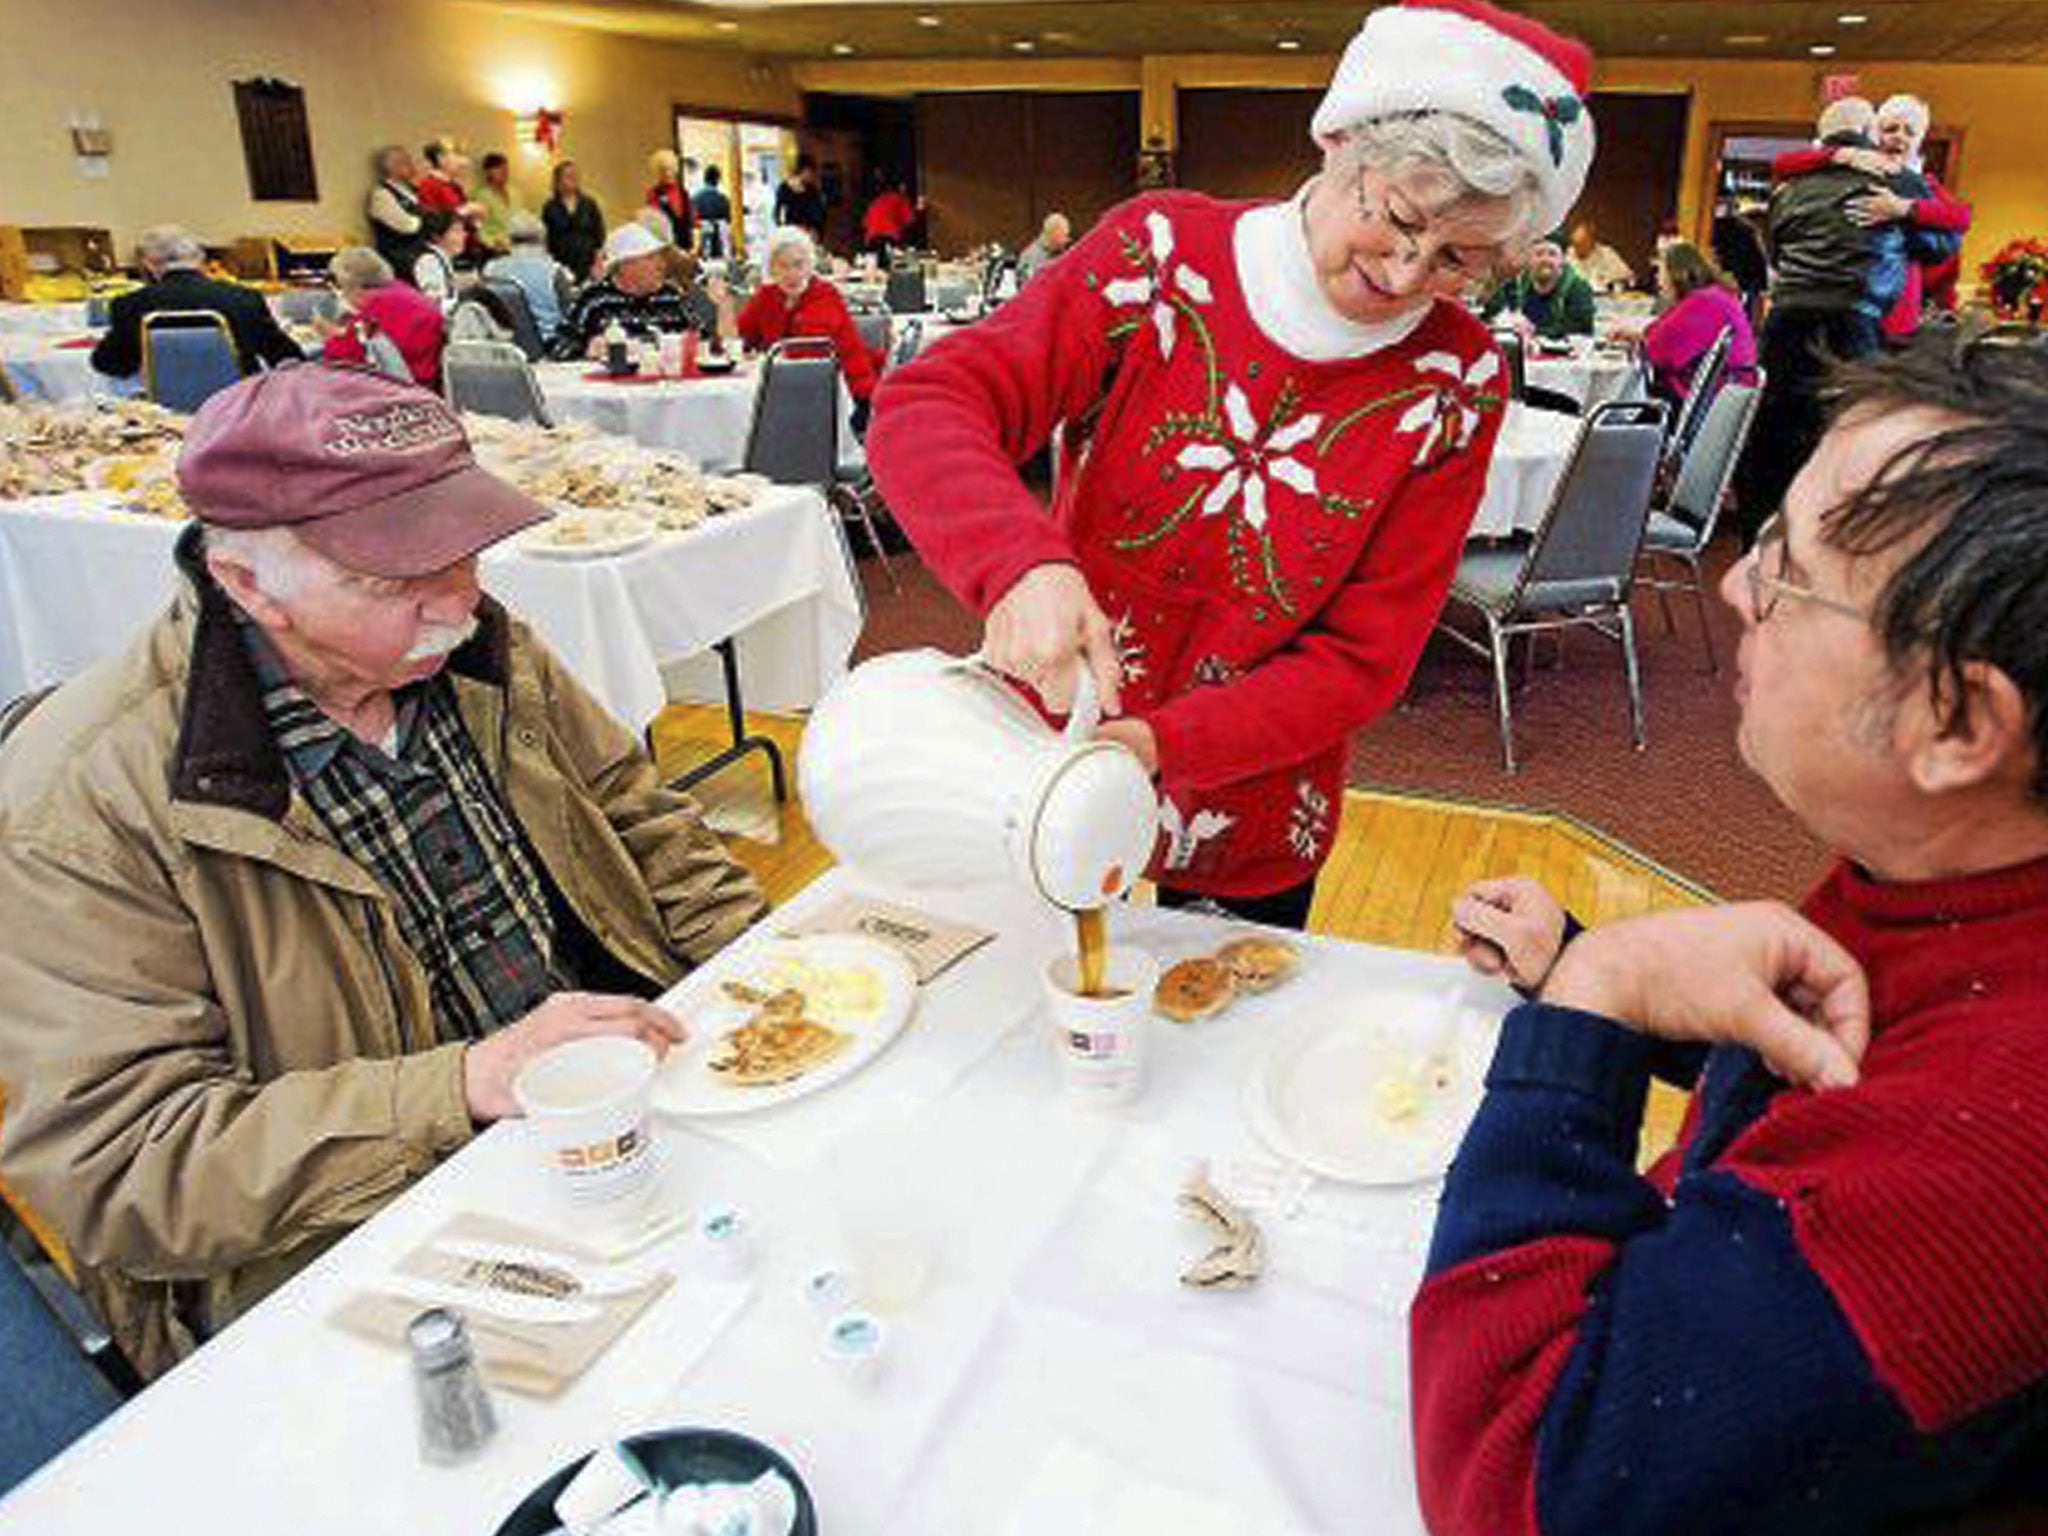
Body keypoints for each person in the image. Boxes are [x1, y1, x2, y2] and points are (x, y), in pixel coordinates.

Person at [0, 365, 767, 1378]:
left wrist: (762, 972)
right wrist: (461, 1086)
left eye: (463, 555)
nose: (456, 604)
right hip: (362, 1242)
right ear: (246, 585)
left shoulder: (477, 648)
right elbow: (124, 1169)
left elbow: (638, 817)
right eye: (394, 578)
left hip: (608, 1118)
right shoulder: (81, 801)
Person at [1420, 322, 2048, 1536]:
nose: (1733, 588)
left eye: (1786, 575)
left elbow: (1514, 1486)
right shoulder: (1946, 868)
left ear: (1959, 722)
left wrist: (1591, 1004)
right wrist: (1596, 967)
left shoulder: (1986, 1159)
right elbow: (1845, 1067)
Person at [868, 0, 1595, 929]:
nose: (1409, 276)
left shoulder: (1456, 380)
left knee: (1210, 1041)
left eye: (1461, 260)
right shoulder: (1162, 257)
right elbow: (929, 404)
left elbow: (1362, 658)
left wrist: (1159, 743)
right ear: (1343, 145)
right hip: (1048, 740)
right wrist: (1019, 563)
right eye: (1401, 219)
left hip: (1247, 790)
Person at [1733, 97, 1958, 543]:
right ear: (1870, 132)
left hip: (1788, 318)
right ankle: (1833, 545)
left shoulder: (1789, 187)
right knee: (1849, 436)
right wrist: (1903, 217)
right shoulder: (1897, 179)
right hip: (1855, 321)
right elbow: (1943, 246)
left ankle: (1759, 540)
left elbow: (1775, 253)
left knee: (1771, 436)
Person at [1771, 93, 1972, 342]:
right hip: (1863, 307)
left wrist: (1904, 208)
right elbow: (1782, 163)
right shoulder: (1849, 169)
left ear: (1920, 140)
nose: (1899, 137)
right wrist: (1840, 155)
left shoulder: (1917, 184)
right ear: (1874, 134)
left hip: (1894, 306)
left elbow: (1961, 218)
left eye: (1910, 132)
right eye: (1891, 129)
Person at [90, 225, 302, 381]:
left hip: (164, 411)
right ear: (200, 259)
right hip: (237, 407)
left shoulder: (129, 305)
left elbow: (109, 364)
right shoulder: (243, 298)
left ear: (149, 263)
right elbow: (287, 356)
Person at [734, 225, 881, 431]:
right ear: (771, 269)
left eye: (798, 265)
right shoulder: (767, 296)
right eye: (782, 266)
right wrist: (723, 304)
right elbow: (738, 338)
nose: (791, 273)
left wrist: (762, 356)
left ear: (810, 265)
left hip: (846, 393)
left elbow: (808, 356)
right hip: (788, 389)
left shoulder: (825, 295)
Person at [551, 223, 716, 360]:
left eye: (659, 257)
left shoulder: (670, 296)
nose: (661, 265)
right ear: (625, 266)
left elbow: (703, 342)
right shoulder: (595, 300)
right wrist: (587, 348)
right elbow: (558, 348)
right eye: (651, 258)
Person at [1636, 241, 1757, 402]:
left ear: (1677, 273)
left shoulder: (1703, 301)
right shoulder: (1713, 295)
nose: (1658, 279)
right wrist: (1639, 335)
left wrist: (1642, 338)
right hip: (1727, 390)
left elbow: (1658, 351)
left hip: (1714, 398)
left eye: (1660, 271)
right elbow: (1663, 328)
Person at [319, 246, 446, 388]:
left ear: (349, 281)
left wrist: (328, 335)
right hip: (422, 377)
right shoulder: (400, 291)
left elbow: (340, 356)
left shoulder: (376, 304)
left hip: (402, 386)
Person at [1482, 230, 1596, 340]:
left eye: (1552, 254)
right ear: (1529, 259)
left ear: (1562, 260)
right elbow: (1489, 314)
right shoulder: (1514, 284)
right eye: (1539, 254)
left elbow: (1580, 329)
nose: (1545, 260)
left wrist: (1534, 331)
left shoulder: (1578, 288)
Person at [483, 213, 575, 337]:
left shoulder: (490, 269)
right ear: (542, 239)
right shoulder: (554, 271)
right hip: (548, 344)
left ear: (510, 239)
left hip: (504, 344)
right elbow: (570, 313)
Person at [543, 160, 606, 283]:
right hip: (562, 262)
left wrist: (598, 262)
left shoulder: (589, 203)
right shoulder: (550, 207)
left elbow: (599, 234)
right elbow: (547, 239)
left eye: (575, 176)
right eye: (568, 176)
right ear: (558, 180)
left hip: (587, 261)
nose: (573, 179)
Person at [365, 144, 425, 272]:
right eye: (405, 162)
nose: (412, 166)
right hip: (398, 259)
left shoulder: (413, 190)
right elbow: (408, 226)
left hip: (419, 255)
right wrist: (430, 219)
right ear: (390, 166)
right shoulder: (381, 195)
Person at [408, 209, 466, 309]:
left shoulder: (440, 259)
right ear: (437, 236)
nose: (464, 235)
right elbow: (435, 304)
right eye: (456, 231)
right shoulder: (428, 261)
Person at [645, 149, 696, 253]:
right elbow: (654, 225)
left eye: (670, 169)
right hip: (666, 248)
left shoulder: (683, 192)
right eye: (663, 170)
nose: (667, 173)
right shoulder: (654, 194)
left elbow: (693, 220)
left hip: (687, 246)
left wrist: (695, 246)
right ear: (657, 172)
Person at [1567, 216, 1634, 292]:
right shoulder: (1566, 256)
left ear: (1592, 241)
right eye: (1575, 244)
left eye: (1582, 243)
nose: (1577, 249)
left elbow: (1628, 278)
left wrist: (1612, 281)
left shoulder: (1606, 254)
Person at [473, 151, 518, 255]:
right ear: (488, 172)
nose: (504, 172)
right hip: (494, 248)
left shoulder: (515, 193)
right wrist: (491, 244)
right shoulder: (481, 196)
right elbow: (478, 227)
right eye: (498, 169)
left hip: (516, 246)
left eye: (505, 169)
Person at [774, 155, 827, 242]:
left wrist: (814, 230)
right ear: (805, 170)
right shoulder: (784, 189)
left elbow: (819, 214)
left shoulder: (811, 190)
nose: (812, 176)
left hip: (808, 235)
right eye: (811, 172)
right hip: (791, 235)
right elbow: (779, 214)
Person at [862, 180, 917, 261]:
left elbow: (865, 222)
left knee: (874, 266)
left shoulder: (877, 201)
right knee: (895, 264)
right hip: (890, 235)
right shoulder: (901, 199)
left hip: (872, 237)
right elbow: (909, 220)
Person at [1016, 212, 1073, 285]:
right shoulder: (1029, 257)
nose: (1066, 240)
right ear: (1054, 233)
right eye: (1064, 235)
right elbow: (1027, 288)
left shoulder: (1063, 252)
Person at [692, 164, 735, 261]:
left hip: (702, 235)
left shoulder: (696, 198)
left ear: (704, 179)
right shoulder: (722, 198)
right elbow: (729, 219)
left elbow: (692, 220)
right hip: (720, 236)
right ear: (717, 180)